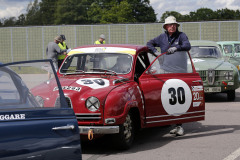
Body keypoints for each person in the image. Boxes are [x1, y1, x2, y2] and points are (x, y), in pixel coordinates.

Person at [146, 16, 191, 136]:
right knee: (167, 98)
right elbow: (149, 43)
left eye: (174, 24)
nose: (172, 26)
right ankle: (169, 122)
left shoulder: (181, 36)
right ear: (166, 27)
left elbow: (187, 45)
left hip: (179, 72)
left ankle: (179, 125)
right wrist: (155, 52)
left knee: (178, 98)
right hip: (165, 71)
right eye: (170, 25)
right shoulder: (162, 37)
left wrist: (177, 48)